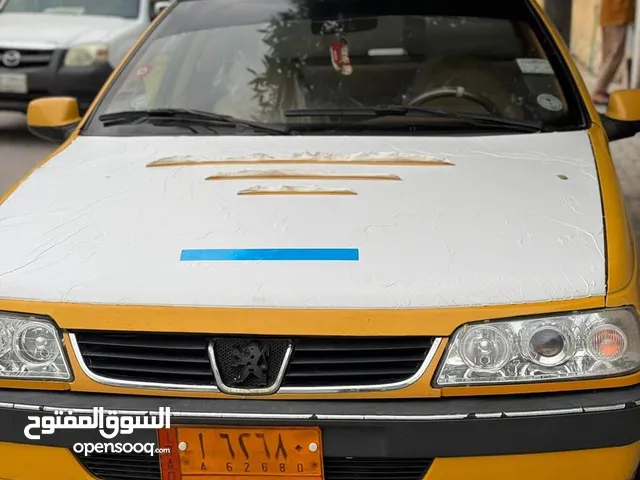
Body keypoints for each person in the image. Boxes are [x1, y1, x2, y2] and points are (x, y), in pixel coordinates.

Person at [592, 0, 636, 105]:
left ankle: (600, 89)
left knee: (608, 54)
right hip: (618, 14)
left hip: (609, 14)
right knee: (615, 54)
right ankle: (599, 90)